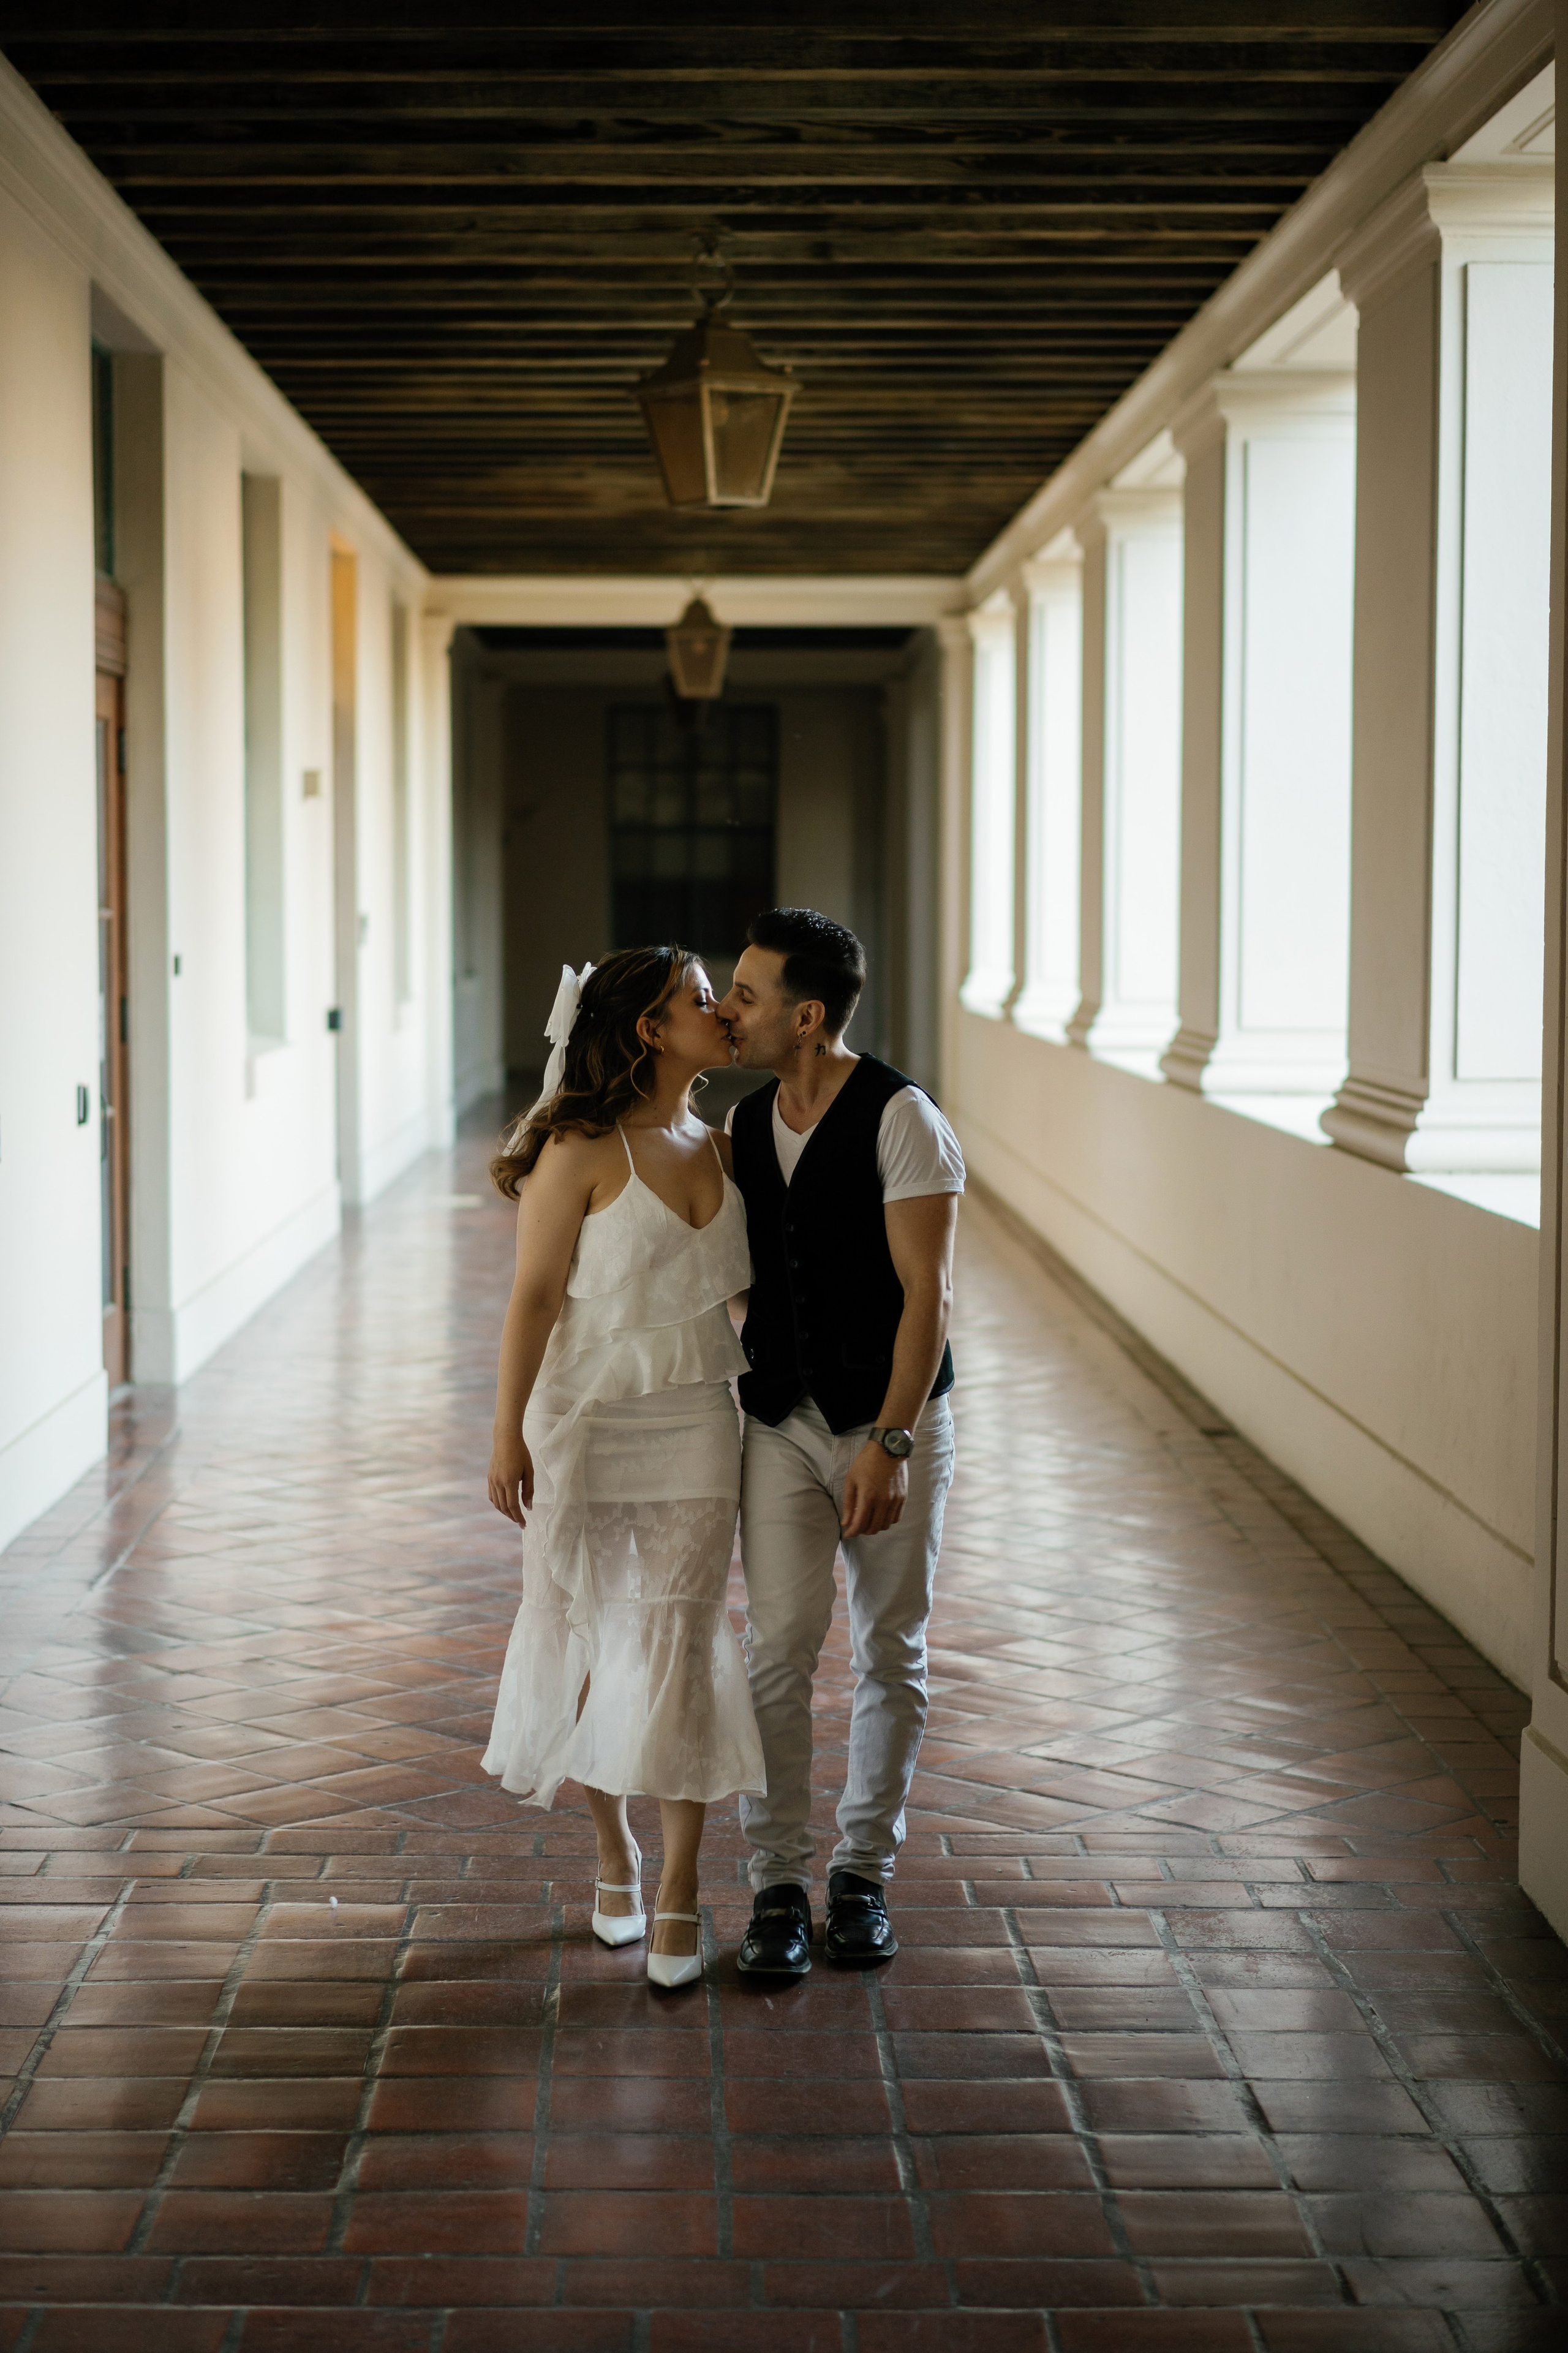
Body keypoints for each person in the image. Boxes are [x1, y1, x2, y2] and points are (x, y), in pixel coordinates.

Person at [483, 947, 764, 1991]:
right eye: (701, 998)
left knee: (683, 1639)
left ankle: (683, 1886)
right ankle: (616, 1852)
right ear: (650, 1029)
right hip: (587, 1420)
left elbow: (738, 1295)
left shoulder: (726, 1149)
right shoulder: (579, 1148)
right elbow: (533, 1296)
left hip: (698, 1417)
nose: (722, 1011)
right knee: (594, 1634)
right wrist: (506, 1431)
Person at [717, 908, 963, 1976]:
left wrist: (892, 1444)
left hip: (890, 1422)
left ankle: (862, 1874)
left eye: (748, 993)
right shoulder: (744, 1122)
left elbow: (929, 1296)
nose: (730, 1008)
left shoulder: (904, 1118)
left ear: (808, 1015)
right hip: (781, 1420)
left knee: (890, 1647)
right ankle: (776, 1881)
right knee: (776, 1649)